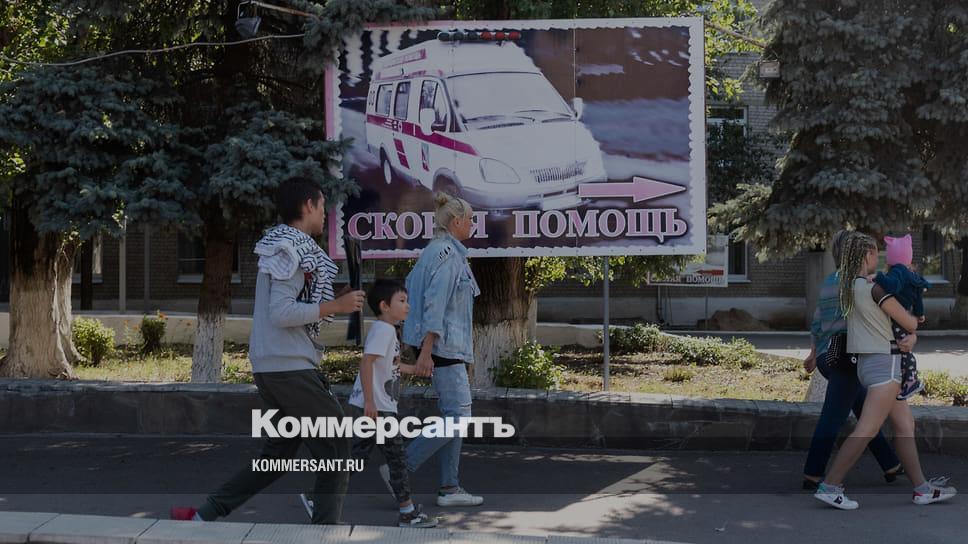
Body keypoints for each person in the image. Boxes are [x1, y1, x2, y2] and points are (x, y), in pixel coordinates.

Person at [170, 178, 366, 524]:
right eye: (323, 206)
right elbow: (282, 312)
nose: (325, 214)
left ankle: (204, 516)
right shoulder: (292, 248)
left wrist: (337, 301)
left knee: (277, 456)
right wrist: (334, 305)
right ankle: (324, 531)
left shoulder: (282, 244)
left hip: (276, 367)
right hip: (289, 368)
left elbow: (293, 306)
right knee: (337, 445)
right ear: (308, 205)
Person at [815, 232, 956, 509]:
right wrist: (913, 330)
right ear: (866, 255)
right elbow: (910, 323)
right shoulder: (875, 289)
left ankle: (921, 488)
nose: (877, 258)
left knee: (905, 425)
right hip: (886, 364)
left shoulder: (850, 287)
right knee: (867, 428)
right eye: (874, 252)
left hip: (867, 364)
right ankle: (830, 486)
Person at [391, 191, 484, 507]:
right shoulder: (448, 256)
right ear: (456, 221)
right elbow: (435, 305)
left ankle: (449, 488)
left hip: (442, 346)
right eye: (470, 220)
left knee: (452, 417)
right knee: (459, 417)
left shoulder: (433, 252)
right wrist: (427, 351)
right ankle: (400, 471)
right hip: (444, 347)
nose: (472, 225)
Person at [801, 230, 905, 490]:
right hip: (847, 359)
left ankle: (890, 464)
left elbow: (817, 322)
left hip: (827, 356)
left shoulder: (829, 281)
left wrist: (813, 354)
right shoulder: (858, 284)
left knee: (866, 414)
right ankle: (813, 473)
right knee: (832, 417)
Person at [345, 279, 438, 528]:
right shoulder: (384, 331)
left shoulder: (387, 330)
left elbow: (391, 365)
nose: (408, 306)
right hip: (378, 409)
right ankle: (407, 513)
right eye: (402, 301)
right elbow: (366, 362)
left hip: (377, 406)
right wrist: (370, 401)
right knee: (396, 459)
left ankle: (319, 497)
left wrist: (415, 370)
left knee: (357, 457)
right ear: (385, 306)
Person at [873, 234, 929, 400]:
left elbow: (892, 286)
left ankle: (911, 380)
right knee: (904, 348)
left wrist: (878, 277)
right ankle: (908, 379)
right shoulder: (913, 275)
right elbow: (918, 299)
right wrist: (919, 314)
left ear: (891, 258)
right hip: (907, 314)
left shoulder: (897, 271)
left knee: (903, 349)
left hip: (898, 317)